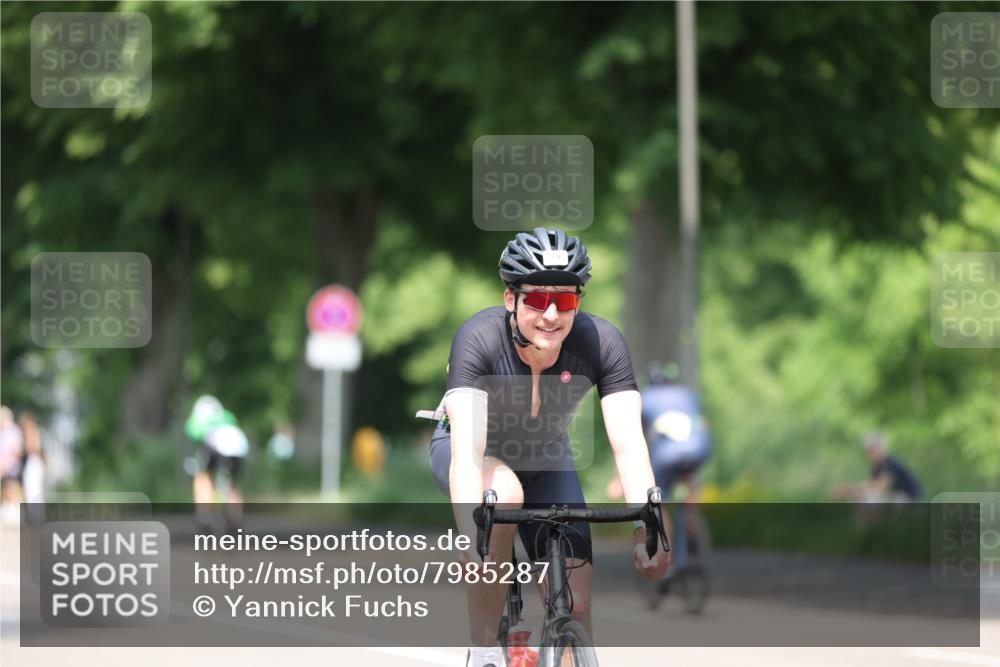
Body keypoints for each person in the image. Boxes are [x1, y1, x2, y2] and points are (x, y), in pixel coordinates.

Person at [428, 228, 670, 667]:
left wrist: (647, 528)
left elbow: (630, 446)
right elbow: (467, 456)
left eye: (566, 300)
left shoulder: (602, 342)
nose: (552, 315)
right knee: (503, 494)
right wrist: (470, 535)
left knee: (576, 605)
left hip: (546, 456)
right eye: (538, 300)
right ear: (511, 299)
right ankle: (484, 652)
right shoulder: (479, 338)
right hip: (473, 451)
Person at [185, 395, 249, 530]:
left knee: (203, 475)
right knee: (230, 483)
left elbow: (194, 435)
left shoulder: (198, 421)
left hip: (217, 447)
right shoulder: (227, 417)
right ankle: (236, 516)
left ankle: (204, 512)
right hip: (238, 449)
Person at [835, 430, 923, 502]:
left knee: (870, 498)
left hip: (912, 500)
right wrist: (852, 491)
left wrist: (850, 491)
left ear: (882, 447)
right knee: (860, 498)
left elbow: (879, 487)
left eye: (874, 448)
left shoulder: (892, 463)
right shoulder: (876, 467)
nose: (871, 452)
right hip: (897, 498)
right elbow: (870, 485)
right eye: (869, 450)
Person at [0, 406, 25, 525]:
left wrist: (8, 462)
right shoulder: (2, 432)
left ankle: (18, 513)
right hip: (3, 466)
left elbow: (17, 450)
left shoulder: (14, 431)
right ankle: (8, 512)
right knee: (6, 488)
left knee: (13, 487)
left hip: (12, 465)